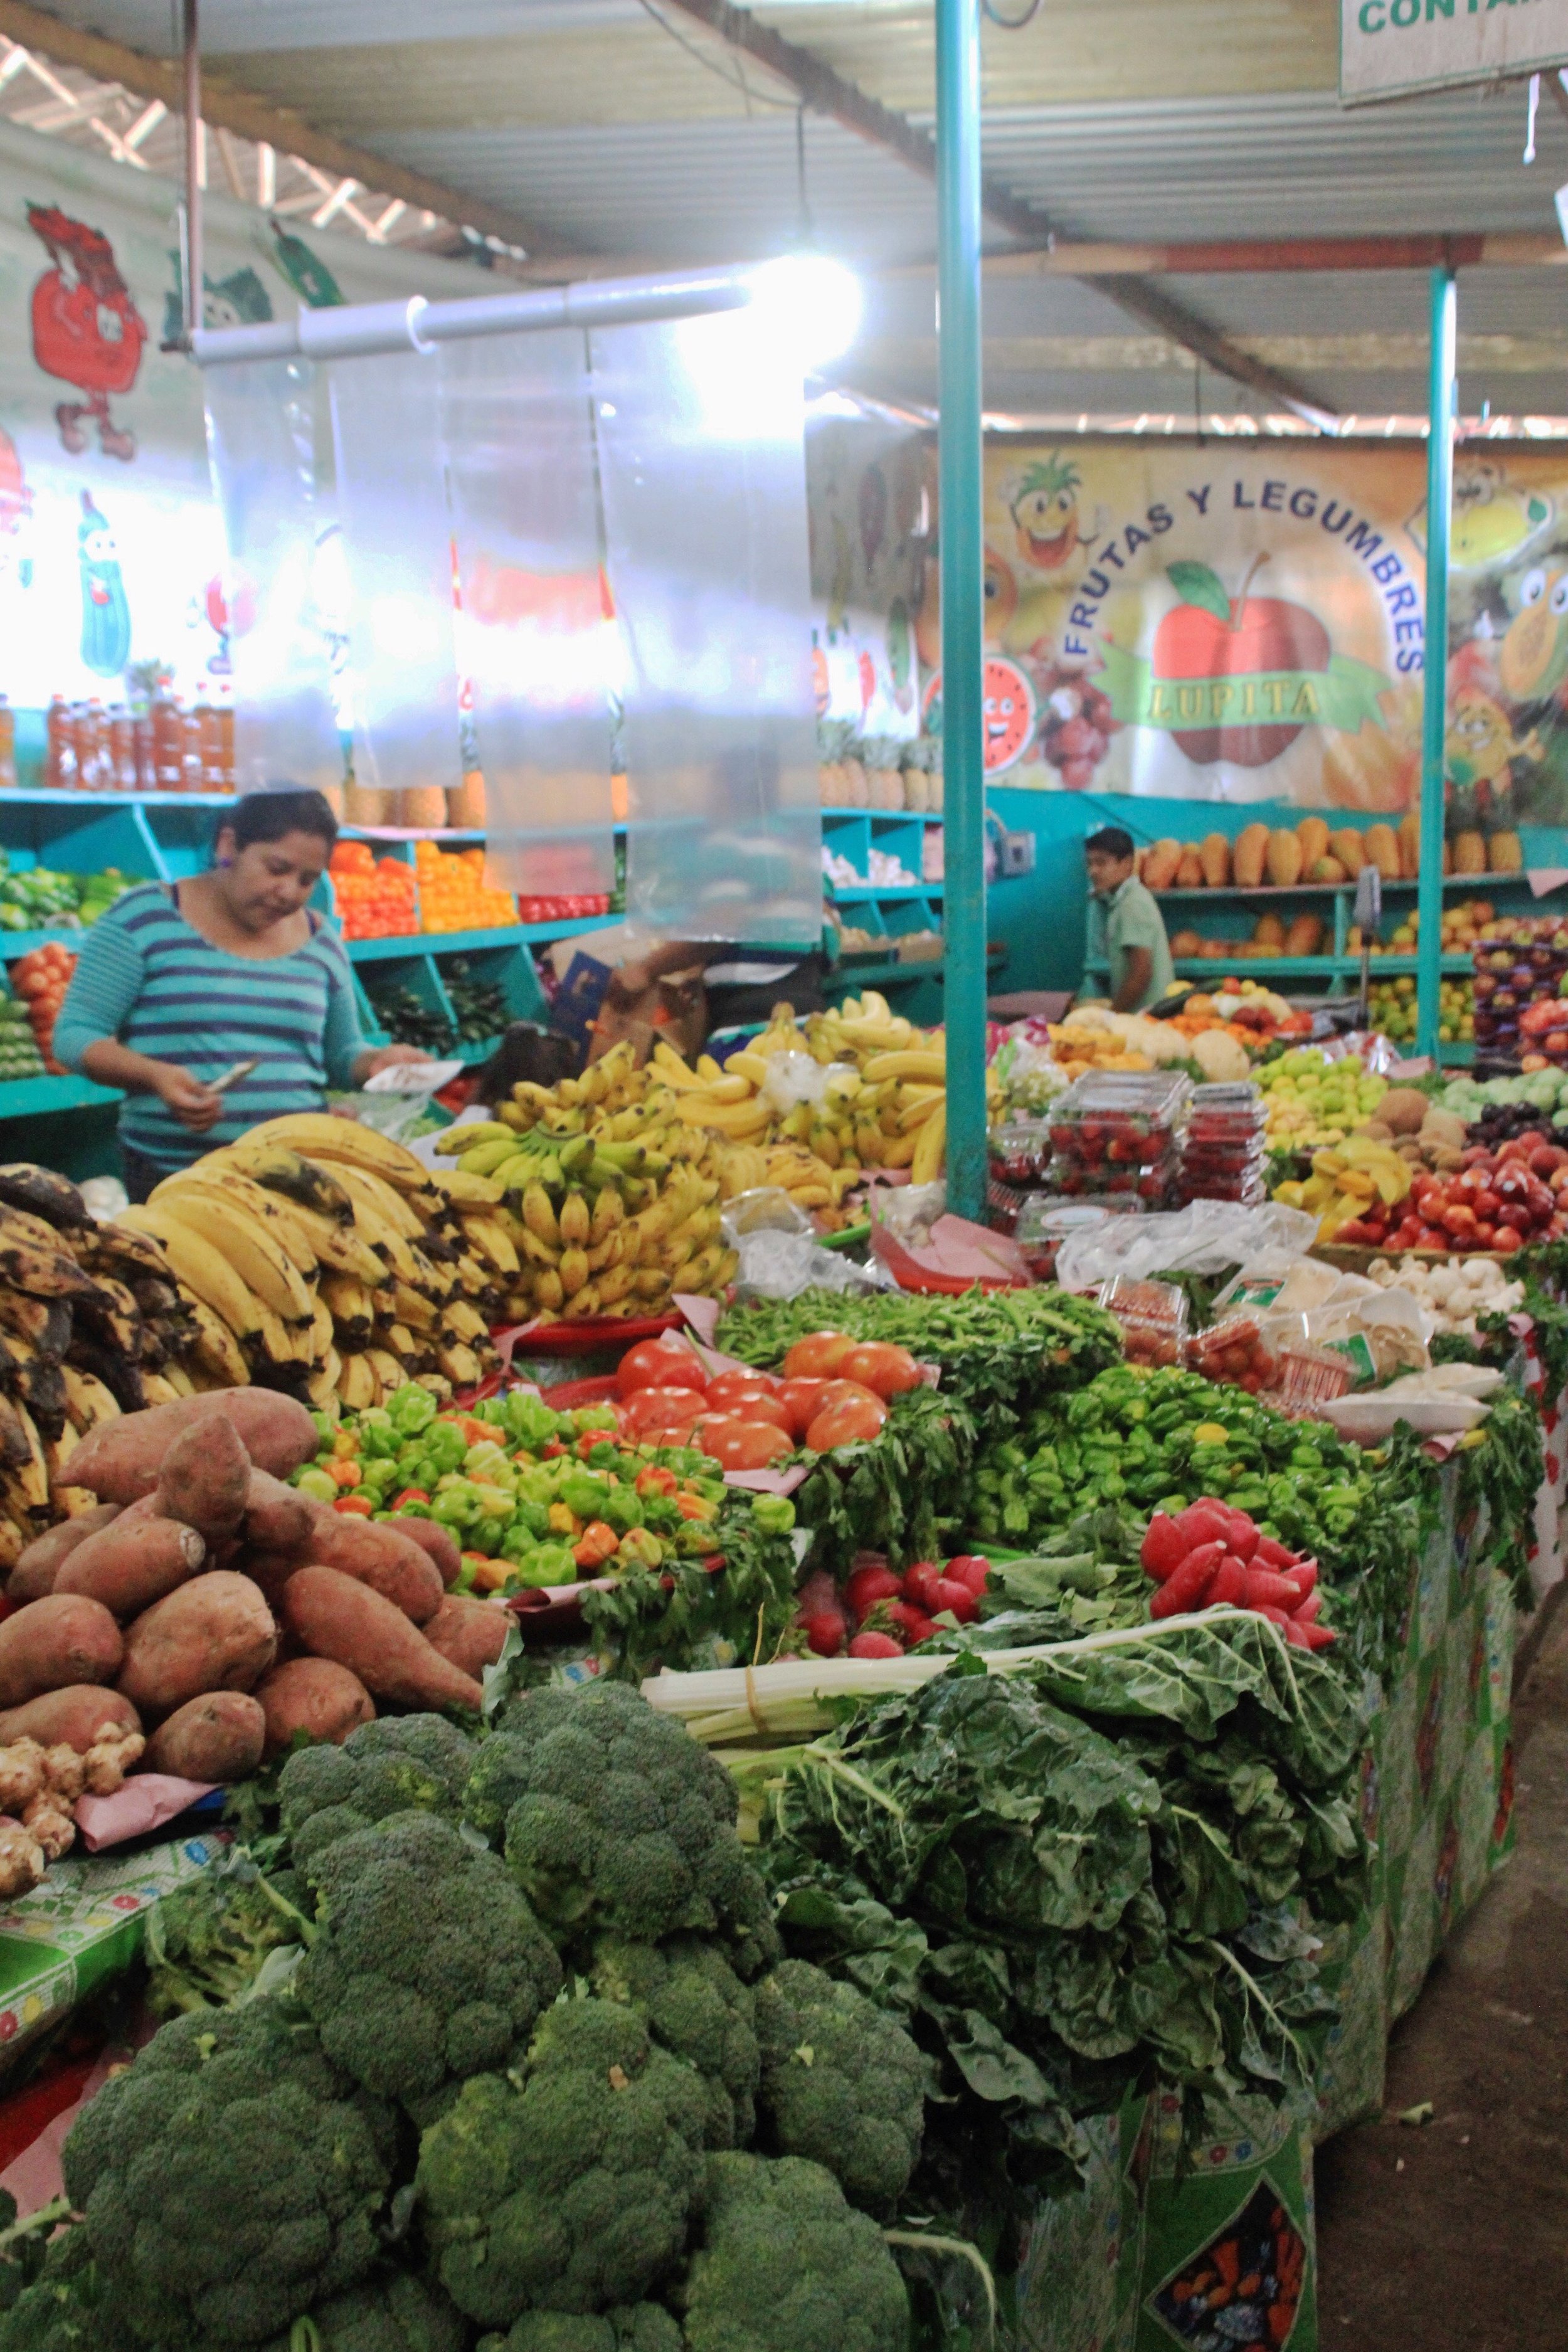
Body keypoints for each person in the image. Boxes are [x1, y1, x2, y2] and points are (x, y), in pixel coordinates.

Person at [54, 787, 426, 1200]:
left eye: (307, 879)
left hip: (298, 1175)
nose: (289, 892)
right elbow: (75, 1035)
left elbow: (341, 1056)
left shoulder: (321, 938)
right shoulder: (143, 919)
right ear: (230, 845)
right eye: (277, 868)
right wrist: (155, 1076)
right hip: (175, 1179)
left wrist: (375, 1063)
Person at [1079, 825, 1174, 1015]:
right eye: (1089, 864)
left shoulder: (1132, 903)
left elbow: (1141, 974)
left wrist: (1113, 1016)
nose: (1093, 871)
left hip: (1149, 1017)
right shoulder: (1120, 900)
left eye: (1101, 863)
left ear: (1127, 863)